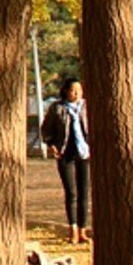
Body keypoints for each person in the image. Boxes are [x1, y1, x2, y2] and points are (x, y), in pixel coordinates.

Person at [41, 78, 91, 244]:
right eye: (73, 90)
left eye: (79, 90)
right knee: (72, 193)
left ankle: (83, 230)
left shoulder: (87, 107)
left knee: (84, 193)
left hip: (84, 153)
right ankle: (73, 229)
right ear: (66, 91)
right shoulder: (57, 108)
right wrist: (50, 144)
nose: (76, 93)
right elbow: (46, 129)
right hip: (65, 153)